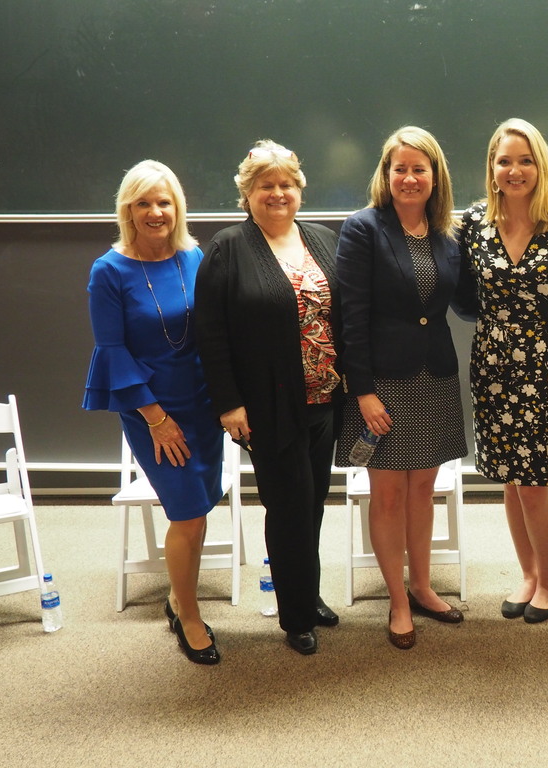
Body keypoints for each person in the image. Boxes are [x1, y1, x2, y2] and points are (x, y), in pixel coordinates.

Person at [195, 140, 343, 656]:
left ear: (299, 190)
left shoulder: (323, 240)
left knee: (315, 502)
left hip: (325, 401)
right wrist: (229, 403)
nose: (277, 193)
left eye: (286, 184)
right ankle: (296, 615)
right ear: (247, 195)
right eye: (266, 186)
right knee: (287, 507)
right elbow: (210, 333)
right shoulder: (228, 248)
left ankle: (308, 591)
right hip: (266, 408)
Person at [335, 126, 473, 650]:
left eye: (420, 169)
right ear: (386, 174)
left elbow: (465, 303)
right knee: (388, 495)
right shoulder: (363, 229)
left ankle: (422, 585)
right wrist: (363, 391)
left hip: (434, 378)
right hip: (383, 383)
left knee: (423, 491)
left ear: (435, 176)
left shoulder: (448, 234)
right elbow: (351, 316)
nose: (410, 178)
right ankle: (397, 600)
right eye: (401, 169)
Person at [84, 160, 223, 665]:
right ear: (128, 209)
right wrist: (157, 418)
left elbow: (212, 331)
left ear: (177, 207)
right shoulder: (109, 270)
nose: (155, 212)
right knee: (186, 513)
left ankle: (176, 596)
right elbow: (112, 352)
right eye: (143, 202)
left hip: (203, 403)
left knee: (200, 509)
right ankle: (188, 616)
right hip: (154, 411)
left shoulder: (193, 256)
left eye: (163, 201)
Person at [458, 118, 548, 624]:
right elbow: (466, 293)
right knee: (509, 481)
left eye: (525, 160)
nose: (515, 170)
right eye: (504, 160)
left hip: (547, 362)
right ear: (492, 168)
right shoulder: (473, 222)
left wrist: (540, 321)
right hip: (491, 362)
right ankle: (529, 573)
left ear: (541, 166)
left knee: (536, 482)